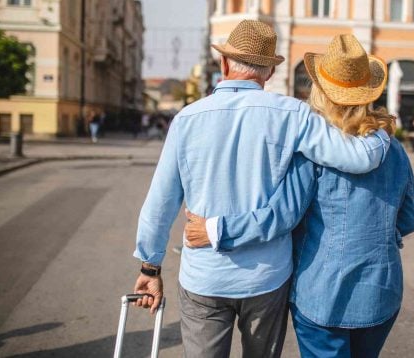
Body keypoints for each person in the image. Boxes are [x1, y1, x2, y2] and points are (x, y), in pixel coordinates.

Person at [131, 21, 390, 358]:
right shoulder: (294, 115)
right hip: (266, 278)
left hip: (205, 276)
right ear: (268, 73)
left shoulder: (186, 119)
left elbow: (160, 203)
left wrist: (149, 268)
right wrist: (382, 132)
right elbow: (356, 158)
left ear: (224, 64)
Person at [183, 34, 414, 358]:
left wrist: (216, 229)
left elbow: (281, 217)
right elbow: (409, 218)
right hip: (382, 291)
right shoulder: (393, 149)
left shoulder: (314, 151)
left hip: (323, 295)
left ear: (320, 91)